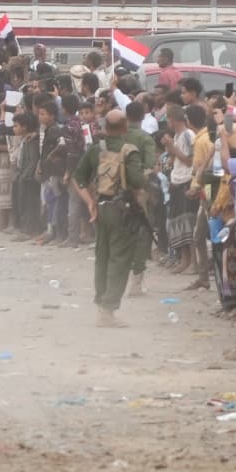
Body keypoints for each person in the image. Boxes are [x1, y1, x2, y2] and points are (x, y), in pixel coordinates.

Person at [82, 103, 155, 326]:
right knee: (120, 259)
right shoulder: (129, 149)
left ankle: (101, 304)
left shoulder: (96, 149)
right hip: (123, 210)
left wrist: (91, 203)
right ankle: (108, 310)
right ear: (124, 127)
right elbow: (137, 180)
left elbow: (80, 178)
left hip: (101, 207)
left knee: (102, 256)